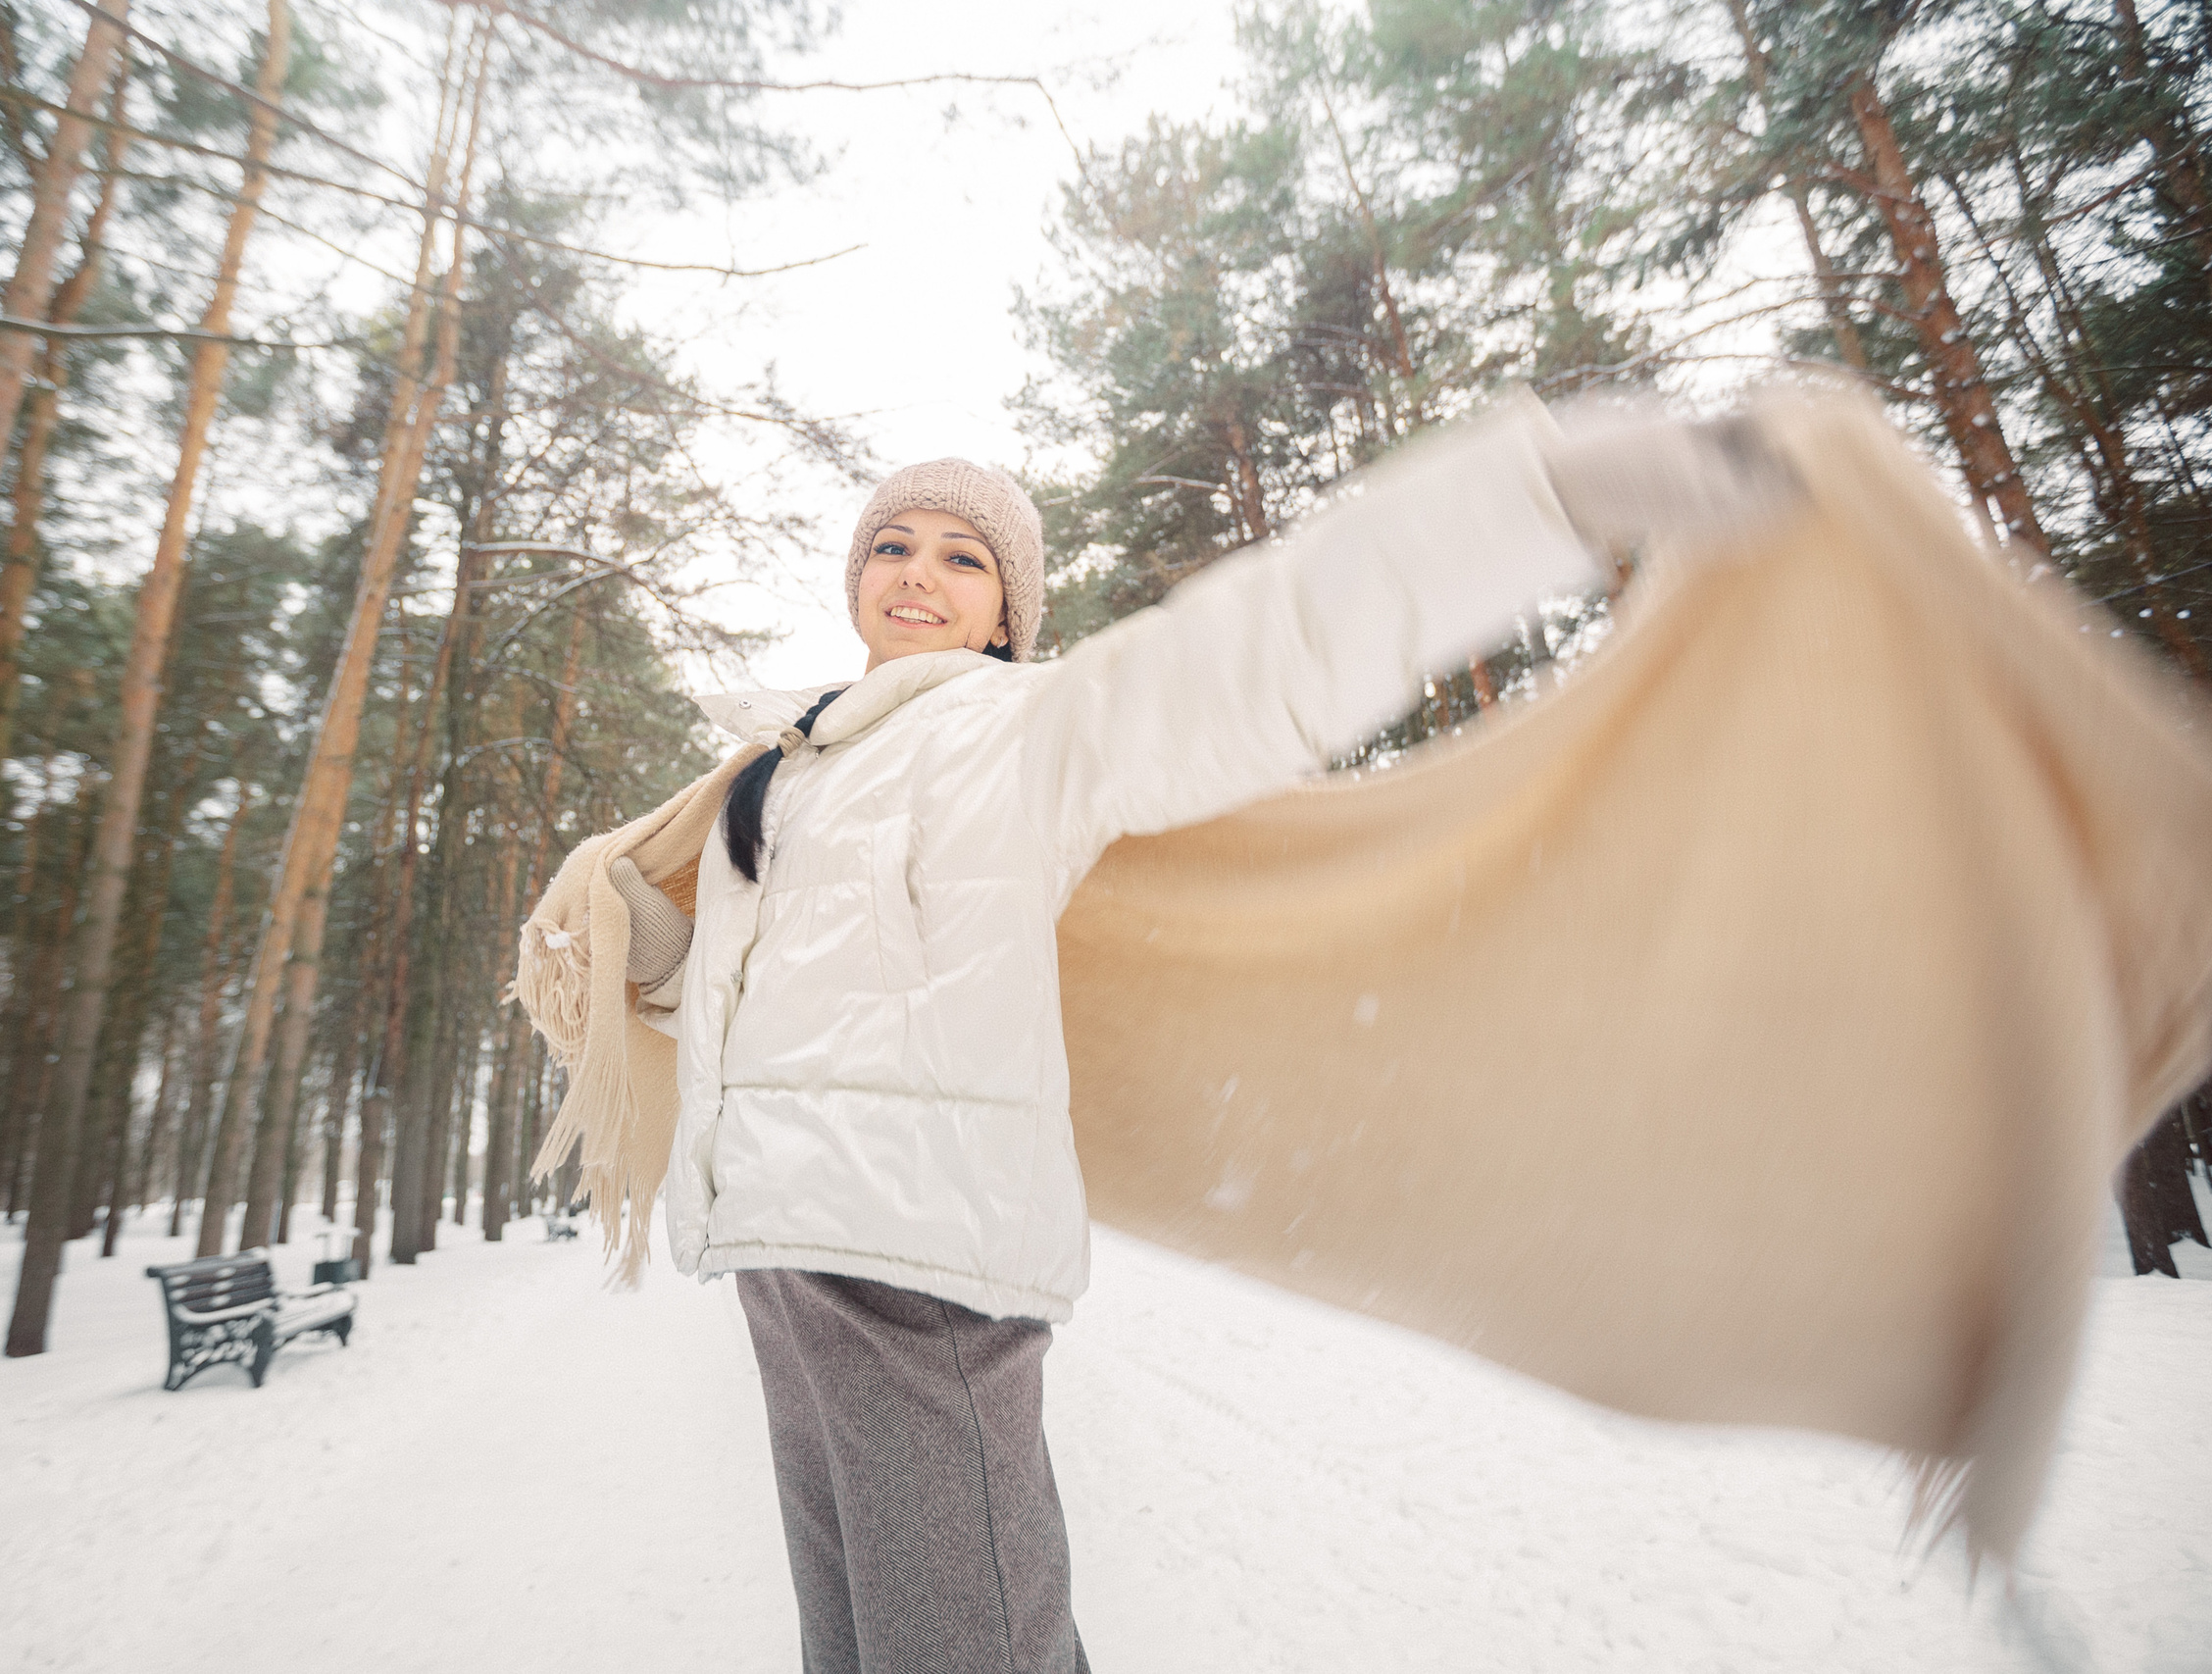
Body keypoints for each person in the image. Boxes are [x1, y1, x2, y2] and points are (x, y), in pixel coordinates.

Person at [592, 397, 1795, 1672]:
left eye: (964, 555)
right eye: (893, 545)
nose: (919, 574)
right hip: (782, 1257)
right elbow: (778, 993)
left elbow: (1264, 644)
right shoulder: (783, 770)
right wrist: (668, 967)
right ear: (855, 580)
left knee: (971, 1653)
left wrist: (1548, 493)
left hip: (920, 1263)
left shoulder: (1027, 730)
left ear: (1007, 612)